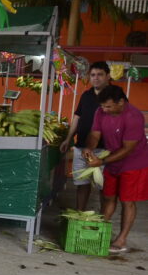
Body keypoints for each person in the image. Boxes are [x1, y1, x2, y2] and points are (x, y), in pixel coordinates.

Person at [82, 85, 148, 254]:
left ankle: (122, 239)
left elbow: (128, 149)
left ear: (121, 102)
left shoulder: (133, 117)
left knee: (127, 201)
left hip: (134, 164)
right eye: (103, 106)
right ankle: (101, 229)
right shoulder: (101, 111)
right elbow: (95, 134)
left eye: (108, 106)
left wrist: (101, 161)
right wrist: (89, 148)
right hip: (112, 161)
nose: (104, 109)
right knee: (108, 197)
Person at [60, 61, 112, 211]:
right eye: (93, 75)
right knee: (82, 184)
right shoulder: (86, 95)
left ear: (107, 76)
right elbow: (77, 117)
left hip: (104, 150)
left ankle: (103, 218)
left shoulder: (115, 95)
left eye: (100, 75)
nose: (96, 78)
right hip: (81, 147)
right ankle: (80, 214)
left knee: (104, 187)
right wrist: (68, 139)